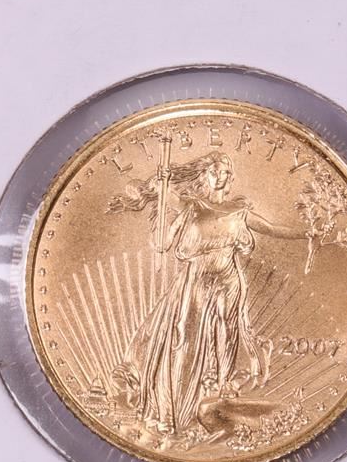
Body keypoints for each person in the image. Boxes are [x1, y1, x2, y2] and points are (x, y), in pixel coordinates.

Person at [108, 151, 304, 440]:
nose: (221, 177)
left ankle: (223, 386)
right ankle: (174, 410)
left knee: (227, 329)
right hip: (196, 279)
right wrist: (160, 187)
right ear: (203, 175)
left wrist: (306, 234)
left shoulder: (239, 210)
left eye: (225, 172)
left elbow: (272, 229)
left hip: (228, 277)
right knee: (184, 340)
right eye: (215, 171)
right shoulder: (191, 207)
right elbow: (166, 215)